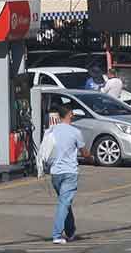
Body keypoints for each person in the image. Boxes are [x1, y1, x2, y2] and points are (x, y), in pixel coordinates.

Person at [38, 103, 89, 244]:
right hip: (69, 173)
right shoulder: (75, 132)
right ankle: (57, 235)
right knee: (64, 203)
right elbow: (85, 153)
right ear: (70, 114)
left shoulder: (51, 130)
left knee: (65, 202)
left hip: (55, 173)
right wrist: (91, 157)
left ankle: (71, 231)